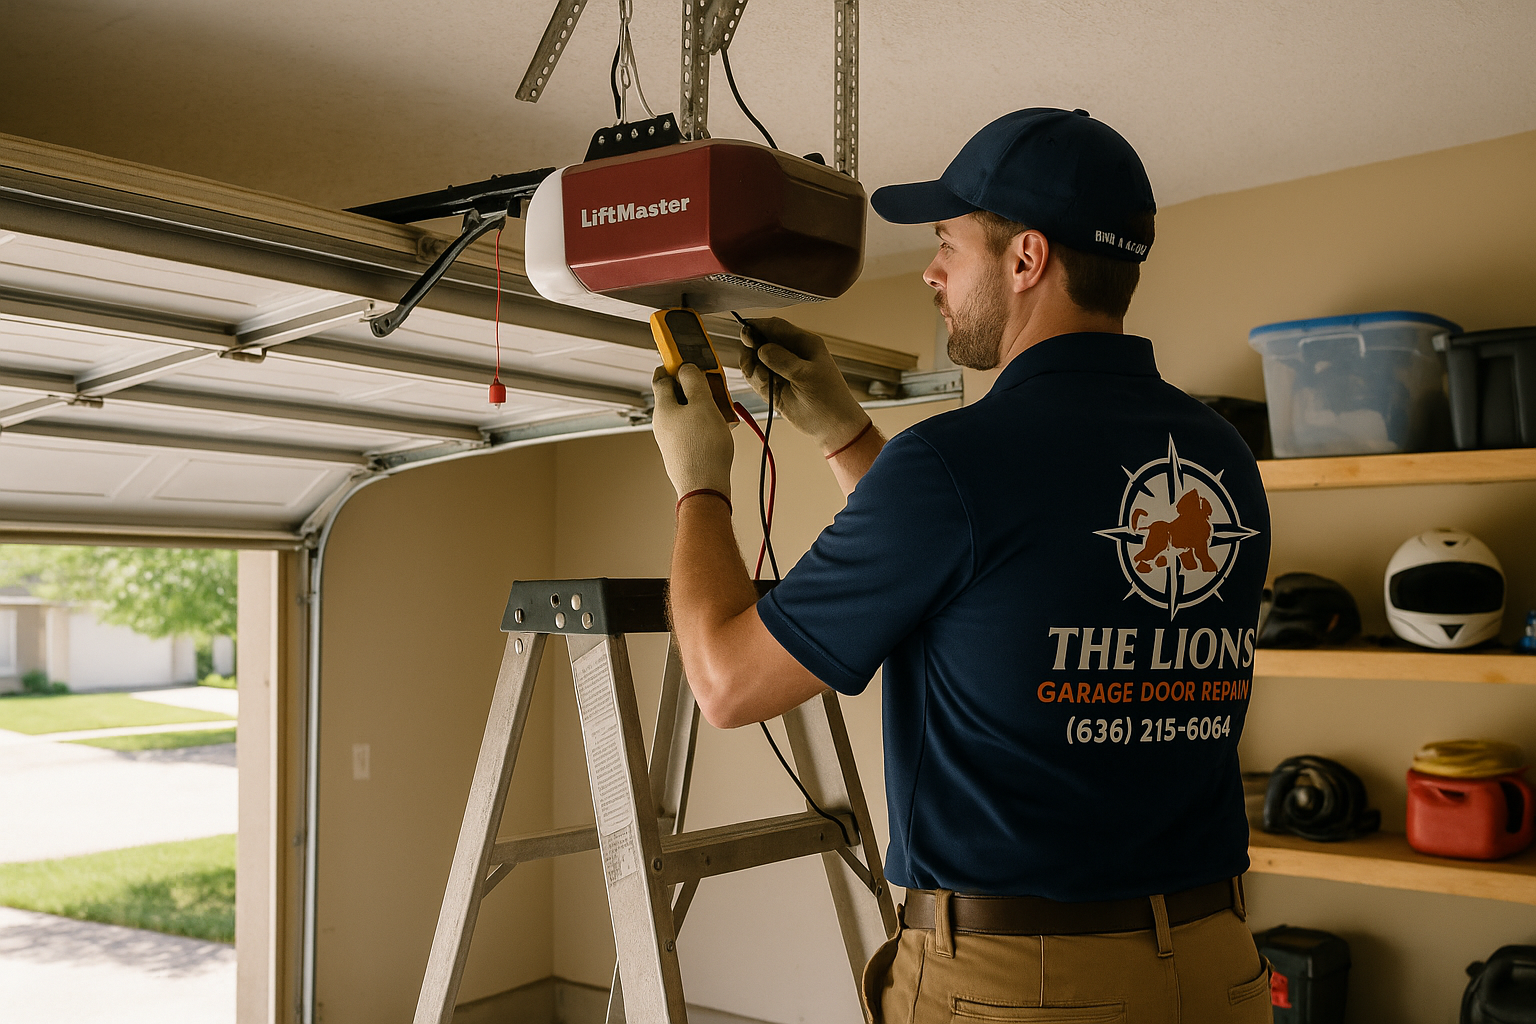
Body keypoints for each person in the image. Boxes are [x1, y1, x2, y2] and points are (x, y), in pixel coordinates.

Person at [649, 107, 1273, 1024]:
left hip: (1026, 990)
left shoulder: (954, 464)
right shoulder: (1219, 458)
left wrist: (699, 482)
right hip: (1218, 971)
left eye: (948, 243)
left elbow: (726, 682)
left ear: (1026, 259)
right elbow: (994, 573)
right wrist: (845, 432)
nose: (932, 273)